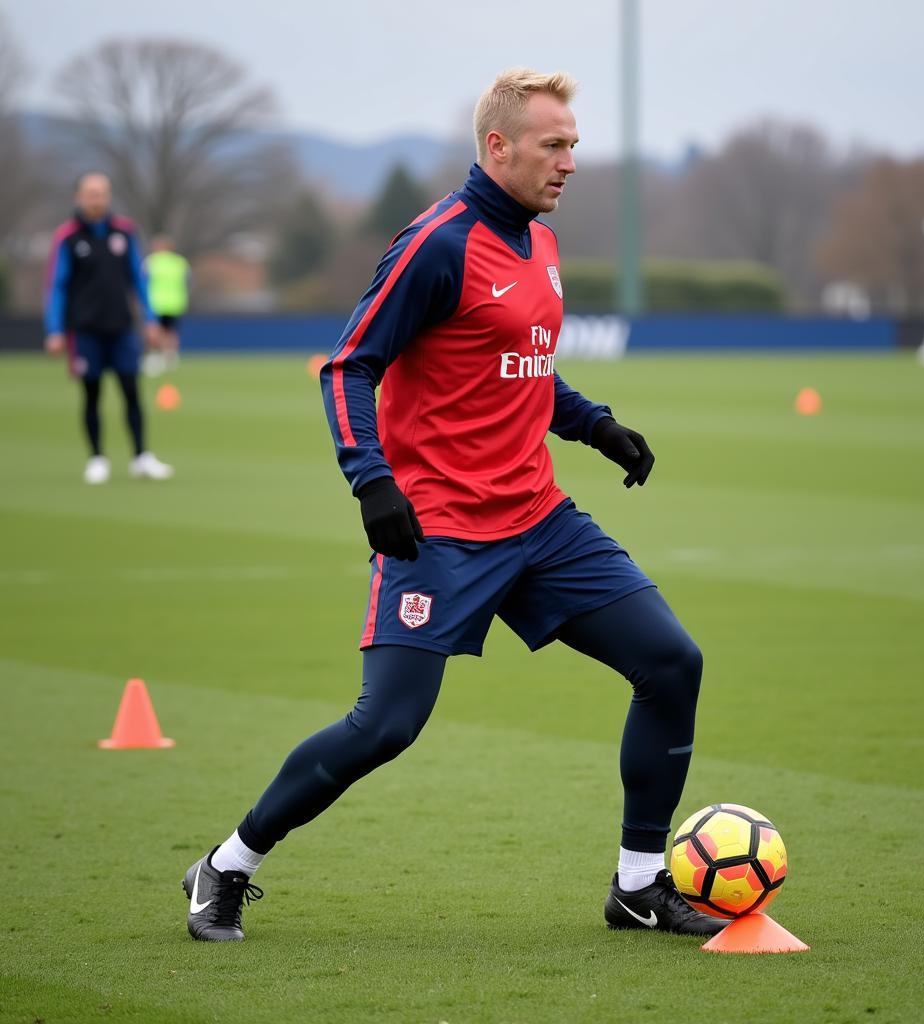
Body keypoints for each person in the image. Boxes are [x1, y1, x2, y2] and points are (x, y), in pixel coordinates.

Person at [182, 68, 724, 942]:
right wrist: (372, 481)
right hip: (440, 531)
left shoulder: (539, 243)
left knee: (671, 662)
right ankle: (226, 865)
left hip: (540, 521)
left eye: (575, 145)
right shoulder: (437, 242)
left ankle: (638, 886)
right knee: (386, 726)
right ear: (497, 147)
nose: (570, 163)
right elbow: (349, 364)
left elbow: (517, 367)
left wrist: (595, 426)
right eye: (555, 145)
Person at [44, 172, 173, 483]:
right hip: (85, 330)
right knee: (92, 393)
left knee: (132, 391)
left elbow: (138, 280)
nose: (96, 198)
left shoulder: (124, 232)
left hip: (121, 328)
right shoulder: (68, 237)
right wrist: (55, 329)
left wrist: (151, 319)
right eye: (91, 193)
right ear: (79, 197)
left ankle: (141, 456)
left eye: (101, 192)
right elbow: (57, 286)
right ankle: (97, 458)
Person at [143, 234, 189, 375]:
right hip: (175, 303)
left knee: (156, 331)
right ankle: (170, 358)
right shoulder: (180, 262)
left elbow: (141, 281)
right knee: (170, 332)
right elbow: (189, 281)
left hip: (156, 303)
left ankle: (156, 358)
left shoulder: (151, 262)